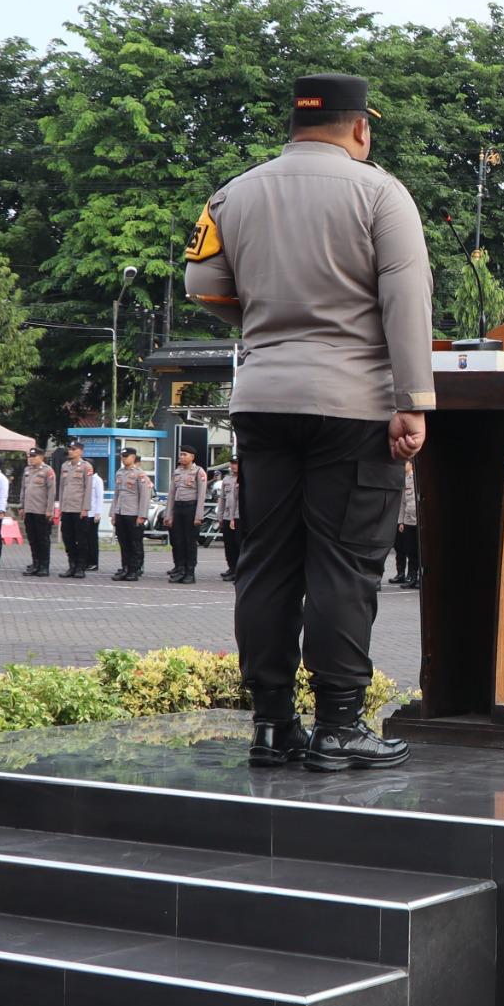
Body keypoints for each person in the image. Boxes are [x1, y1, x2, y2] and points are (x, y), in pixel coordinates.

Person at [183, 70, 431, 772]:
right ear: (360, 127)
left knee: (265, 563)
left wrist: (267, 321)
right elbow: (406, 299)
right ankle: (340, 725)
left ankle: (271, 724)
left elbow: (201, 285)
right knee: (343, 566)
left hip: (262, 398)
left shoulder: (231, 194)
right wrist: (413, 399)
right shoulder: (381, 193)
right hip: (353, 404)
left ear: (294, 124)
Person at [56, 441, 98, 578]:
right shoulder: (65, 466)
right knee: (68, 539)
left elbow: (88, 488)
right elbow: (62, 488)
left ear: (80, 451)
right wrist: (61, 506)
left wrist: (85, 508)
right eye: (69, 449)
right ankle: (72, 565)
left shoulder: (86, 466)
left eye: (73, 449)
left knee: (81, 540)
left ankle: (80, 567)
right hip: (67, 508)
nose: (70, 451)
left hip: (79, 509)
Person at [110, 448, 152, 581]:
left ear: (133, 457)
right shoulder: (119, 472)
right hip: (121, 512)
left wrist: (142, 515)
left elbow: (145, 496)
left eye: (126, 456)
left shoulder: (140, 474)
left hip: (133, 514)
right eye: (122, 456)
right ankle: (125, 568)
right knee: (123, 543)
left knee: (134, 544)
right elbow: (117, 494)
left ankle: (134, 570)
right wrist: (113, 513)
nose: (123, 458)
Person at [17, 446, 58, 577]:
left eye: (34, 456)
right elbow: (23, 489)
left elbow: (51, 492)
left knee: (43, 540)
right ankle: (35, 564)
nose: (31, 459)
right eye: (30, 456)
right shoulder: (27, 470)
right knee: (32, 539)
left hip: (41, 511)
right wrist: (22, 506)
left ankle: (44, 566)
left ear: (41, 457)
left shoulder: (48, 471)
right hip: (29, 510)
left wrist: (49, 510)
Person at [167, 448, 207, 583]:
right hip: (178, 508)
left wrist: (198, 516)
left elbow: (201, 495)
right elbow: (171, 494)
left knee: (190, 542)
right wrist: (169, 514)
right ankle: (181, 570)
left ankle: (190, 573)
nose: (182, 457)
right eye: (181, 454)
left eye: (185, 454)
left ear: (192, 457)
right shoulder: (177, 472)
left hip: (191, 508)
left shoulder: (198, 472)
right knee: (178, 541)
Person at [391, 459, 421, 588]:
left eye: (405, 463)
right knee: (410, 551)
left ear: (411, 465)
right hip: (408, 521)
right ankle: (411, 577)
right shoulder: (405, 481)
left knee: (419, 551)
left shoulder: (418, 479)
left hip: (418, 522)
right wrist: (401, 521)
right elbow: (403, 503)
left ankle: (418, 578)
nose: (403, 466)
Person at [215, 456, 243, 582]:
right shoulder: (227, 479)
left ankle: (239, 570)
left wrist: (234, 518)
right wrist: (220, 516)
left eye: (236, 463)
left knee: (238, 544)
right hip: (227, 516)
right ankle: (231, 568)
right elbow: (222, 499)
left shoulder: (244, 479)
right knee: (229, 545)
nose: (233, 466)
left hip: (238, 517)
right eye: (232, 463)